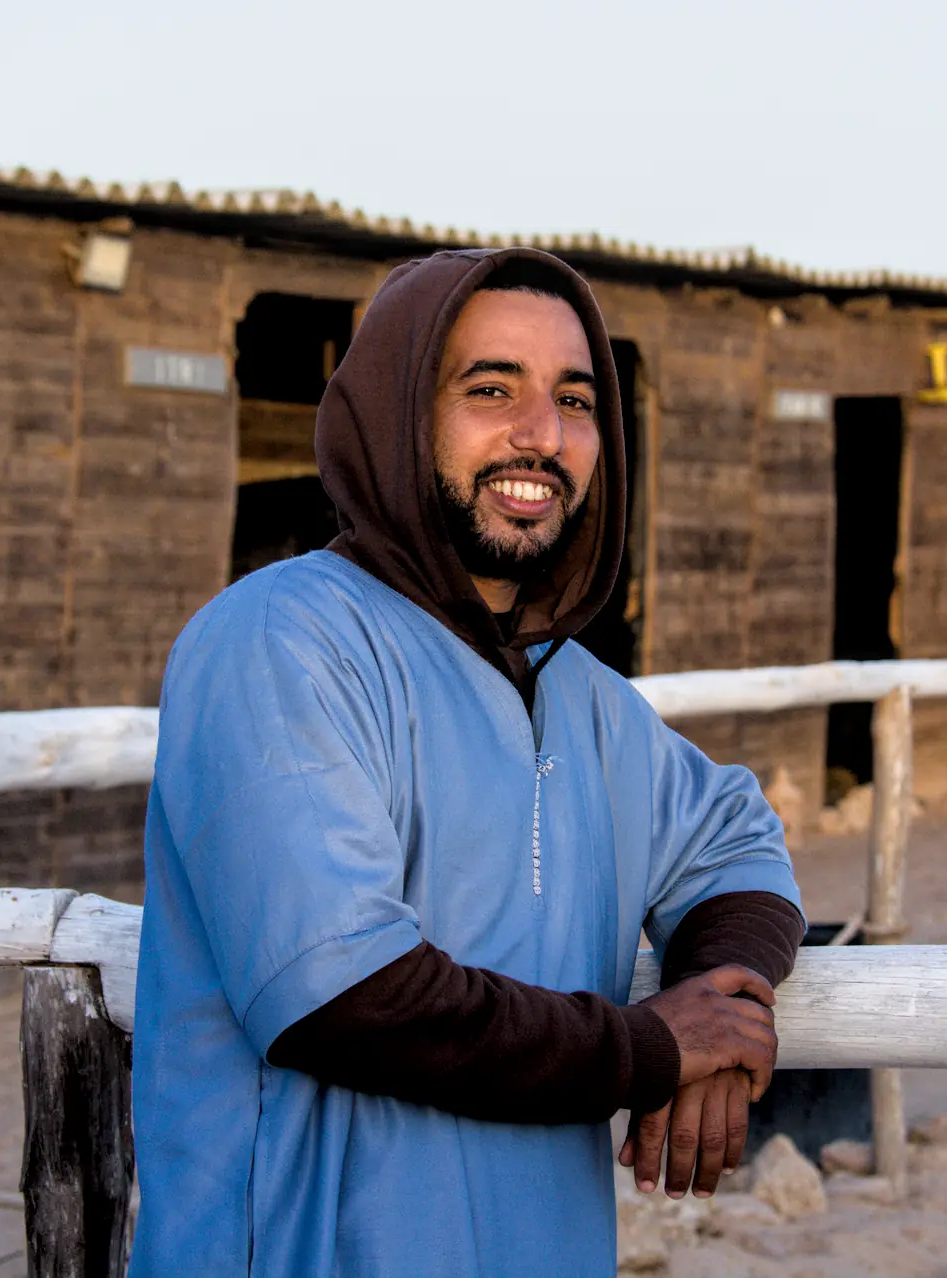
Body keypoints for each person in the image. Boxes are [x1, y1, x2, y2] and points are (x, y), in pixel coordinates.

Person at [130, 247, 805, 1277]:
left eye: (576, 401)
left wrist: (726, 995)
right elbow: (347, 1000)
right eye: (491, 389)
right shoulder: (277, 643)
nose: (542, 434)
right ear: (401, 412)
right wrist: (657, 1049)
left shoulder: (586, 701)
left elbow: (736, 843)